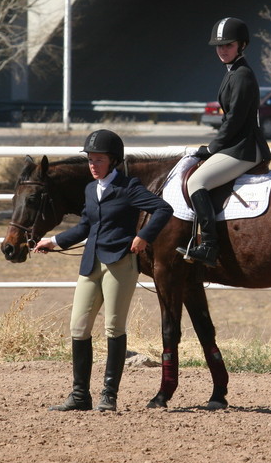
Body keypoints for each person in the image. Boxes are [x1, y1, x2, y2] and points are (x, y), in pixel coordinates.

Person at [33, 129, 172, 412]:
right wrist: (55, 241)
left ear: (113, 161)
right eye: (90, 160)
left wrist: (144, 235)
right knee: (78, 327)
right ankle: (80, 395)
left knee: (113, 327)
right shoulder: (90, 189)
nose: (93, 165)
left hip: (120, 264)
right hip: (90, 264)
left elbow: (163, 209)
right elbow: (86, 226)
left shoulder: (129, 187)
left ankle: (109, 395)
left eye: (98, 160)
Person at [178, 16, 271, 267]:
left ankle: (209, 245)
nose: (222, 50)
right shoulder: (233, 72)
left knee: (197, 181)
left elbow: (234, 121)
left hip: (245, 148)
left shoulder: (241, 76)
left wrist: (211, 148)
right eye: (219, 46)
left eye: (227, 45)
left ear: (242, 45)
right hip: (236, 144)